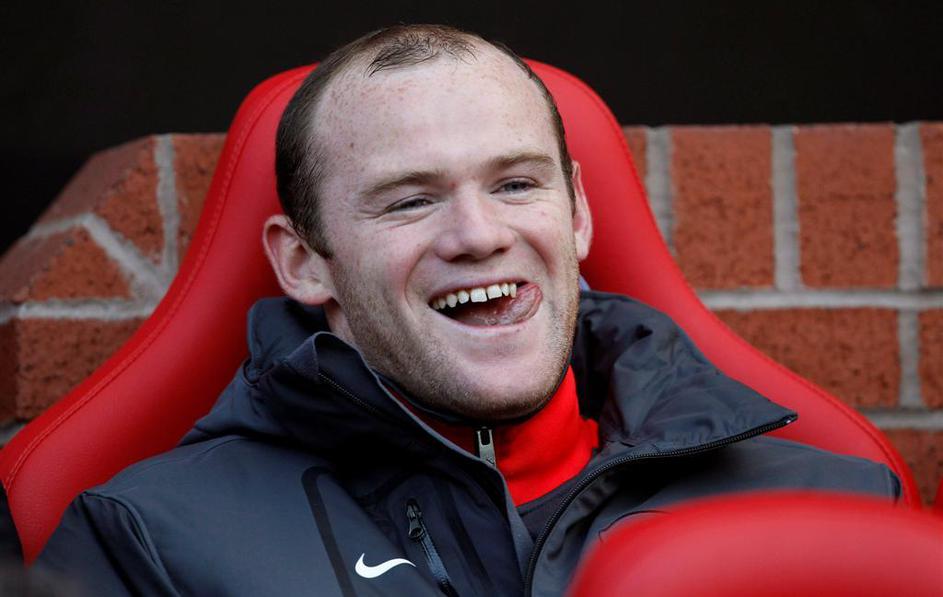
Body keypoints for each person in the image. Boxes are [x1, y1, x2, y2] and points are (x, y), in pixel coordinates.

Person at [35, 24, 899, 596]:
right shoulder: (148, 545)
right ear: (303, 262)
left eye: (516, 184)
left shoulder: (829, 507)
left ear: (577, 213)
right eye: (410, 200)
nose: (479, 235)